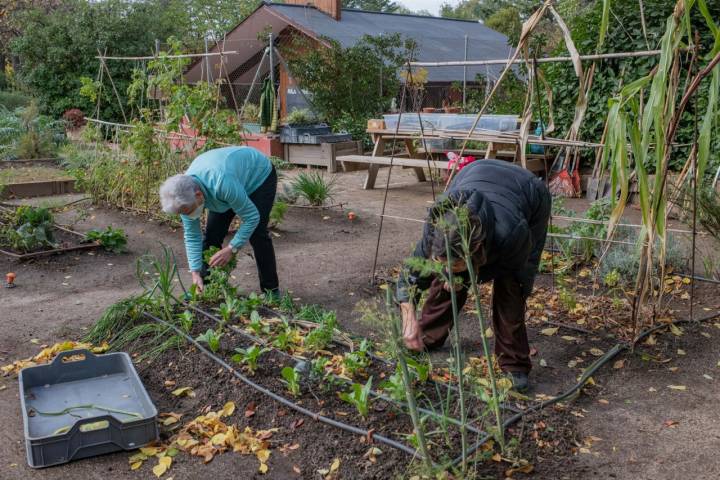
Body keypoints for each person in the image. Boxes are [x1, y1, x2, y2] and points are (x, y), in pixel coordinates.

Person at [396, 159, 551, 392]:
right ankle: (425, 337)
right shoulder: (437, 229)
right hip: (475, 172)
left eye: (457, 264)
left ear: (476, 253)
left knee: (510, 289)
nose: (448, 269)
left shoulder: (510, 234)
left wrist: (469, 276)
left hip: (528, 193)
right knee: (446, 277)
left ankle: (514, 361)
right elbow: (411, 276)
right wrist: (409, 320)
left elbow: (522, 275)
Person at [159, 146, 279, 296]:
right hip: (229, 183)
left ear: (198, 195)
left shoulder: (221, 183)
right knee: (212, 235)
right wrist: (195, 272)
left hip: (258, 176)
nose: (188, 215)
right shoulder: (183, 197)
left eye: (188, 211)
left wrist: (232, 248)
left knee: (257, 233)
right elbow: (192, 236)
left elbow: (252, 217)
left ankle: (271, 291)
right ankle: (203, 286)